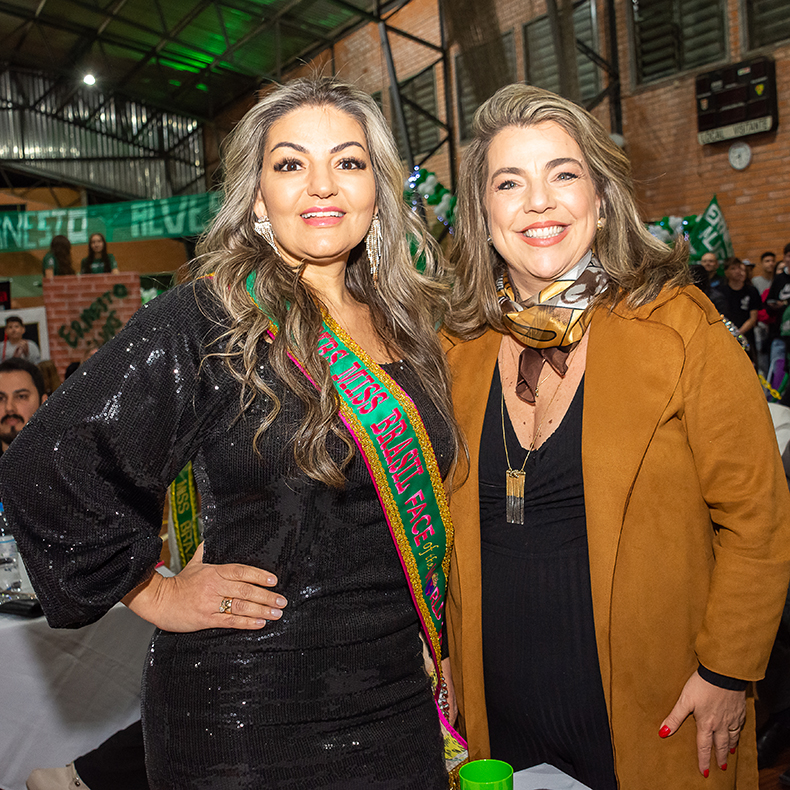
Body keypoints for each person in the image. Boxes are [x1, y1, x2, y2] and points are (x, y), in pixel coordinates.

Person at [0, 78, 462, 790]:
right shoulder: (210, 319)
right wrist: (151, 592)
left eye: (348, 161)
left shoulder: (408, 327)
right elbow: (48, 460)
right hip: (249, 708)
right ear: (257, 197)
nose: (322, 184)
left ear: (378, 189)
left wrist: (440, 647)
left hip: (397, 695)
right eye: (290, 163)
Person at [442, 84, 790, 789]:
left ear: (601, 200)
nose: (538, 202)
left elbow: (757, 514)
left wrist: (727, 671)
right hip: (495, 716)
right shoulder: (456, 349)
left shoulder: (678, 327)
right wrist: (441, 651)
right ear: (483, 213)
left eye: (563, 175)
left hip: (655, 707)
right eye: (510, 182)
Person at [715, 256, 761, 361]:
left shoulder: (751, 290)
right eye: (733, 268)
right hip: (726, 335)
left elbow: (753, 317)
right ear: (726, 272)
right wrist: (730, 333)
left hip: (746, 335)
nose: (737, 271)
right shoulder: (720, 292)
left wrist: (738, 333)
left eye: (739, 268)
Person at [0, 358, 47, 455]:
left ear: (43, 403)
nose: (9, 408)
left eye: (21, 396)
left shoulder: (67, 460)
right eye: (0, 398)